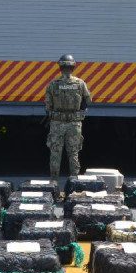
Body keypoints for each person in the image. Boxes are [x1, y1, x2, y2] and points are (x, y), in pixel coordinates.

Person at [44, 54, 92, 182]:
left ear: (60, 67)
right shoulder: (80, 84)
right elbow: (88, 101)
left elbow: (48, 106)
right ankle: (74, 186)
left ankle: (54, 186)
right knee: (73, 154)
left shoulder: (53, 84)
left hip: (57, 123)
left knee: (55, 154)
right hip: (74, 124)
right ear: (73, 67)